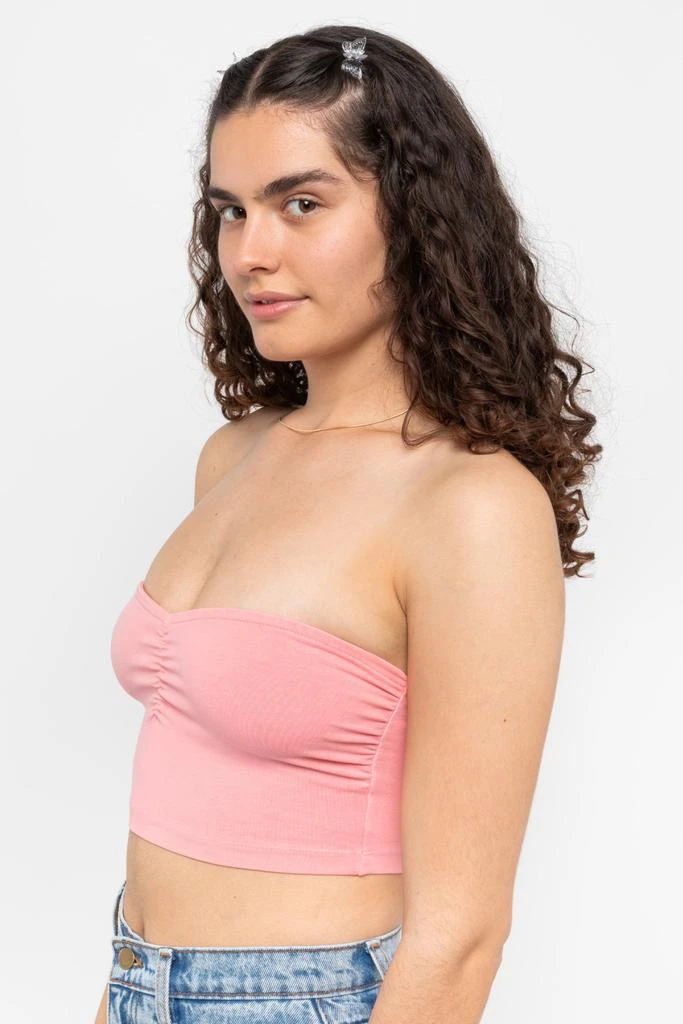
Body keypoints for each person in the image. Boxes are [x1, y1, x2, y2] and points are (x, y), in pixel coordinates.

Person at [96, 24, 602, 1024]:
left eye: (301, 203)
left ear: (414, 214)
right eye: (231, 210)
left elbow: (460, 935)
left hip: (311, 999)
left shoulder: (470, 502)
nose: (251, 252)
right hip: (139, 976)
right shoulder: (235, 456)